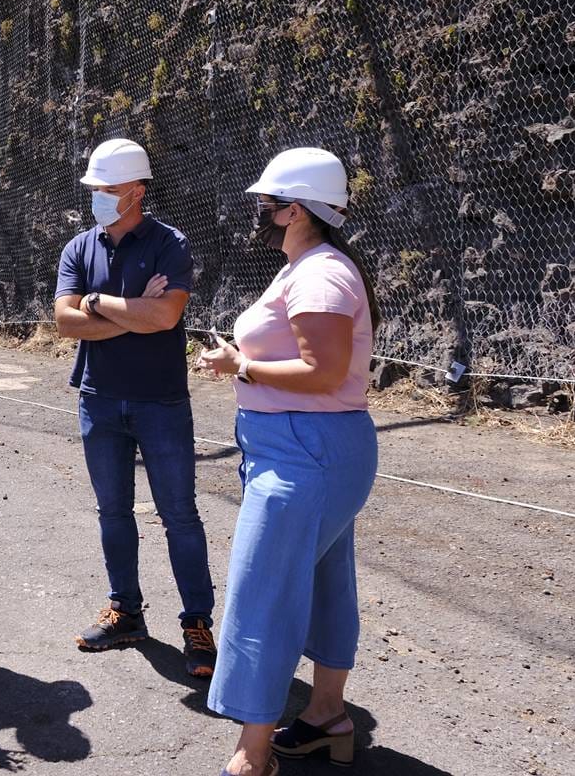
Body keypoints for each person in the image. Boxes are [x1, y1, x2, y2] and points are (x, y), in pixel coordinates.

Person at [197, 147, 382, 776]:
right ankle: (327, 715)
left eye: (266, 202)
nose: (258, 211)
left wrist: (239, 366)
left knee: (262, 592)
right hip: (311, 448)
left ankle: (253, 755)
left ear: (294, 208)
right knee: (328, 579)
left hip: (306, 450)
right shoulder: (310, 266)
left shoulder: (320, 274)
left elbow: (322, 370)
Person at [53, 138, 218, 677]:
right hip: (99, 399)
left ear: (137, 191)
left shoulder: (171, 244)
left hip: (160, 401)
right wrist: (132, 309)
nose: (99, 197)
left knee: (180, 516)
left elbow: (166, 318)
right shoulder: (79, 247)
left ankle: (197, 623)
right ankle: (125, 610)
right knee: (113, 513)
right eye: (96, 189)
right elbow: (65, 320)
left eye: (109, 189)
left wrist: (96, 303)